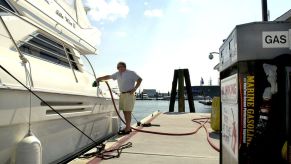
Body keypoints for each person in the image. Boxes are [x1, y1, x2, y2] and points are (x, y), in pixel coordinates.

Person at [94, 62, 142, 135]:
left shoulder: (131, 73)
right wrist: (99, 78)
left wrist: (135, 88)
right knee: (124, 111)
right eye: (118, 67)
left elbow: (139, 79)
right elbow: (109, 76)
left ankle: (127, 129)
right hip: (122, 94)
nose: (120, 68)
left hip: (129, 94)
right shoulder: (117, 74)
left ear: (125, 67)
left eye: (121, 67)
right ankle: (128, 127)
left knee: (128, 111)